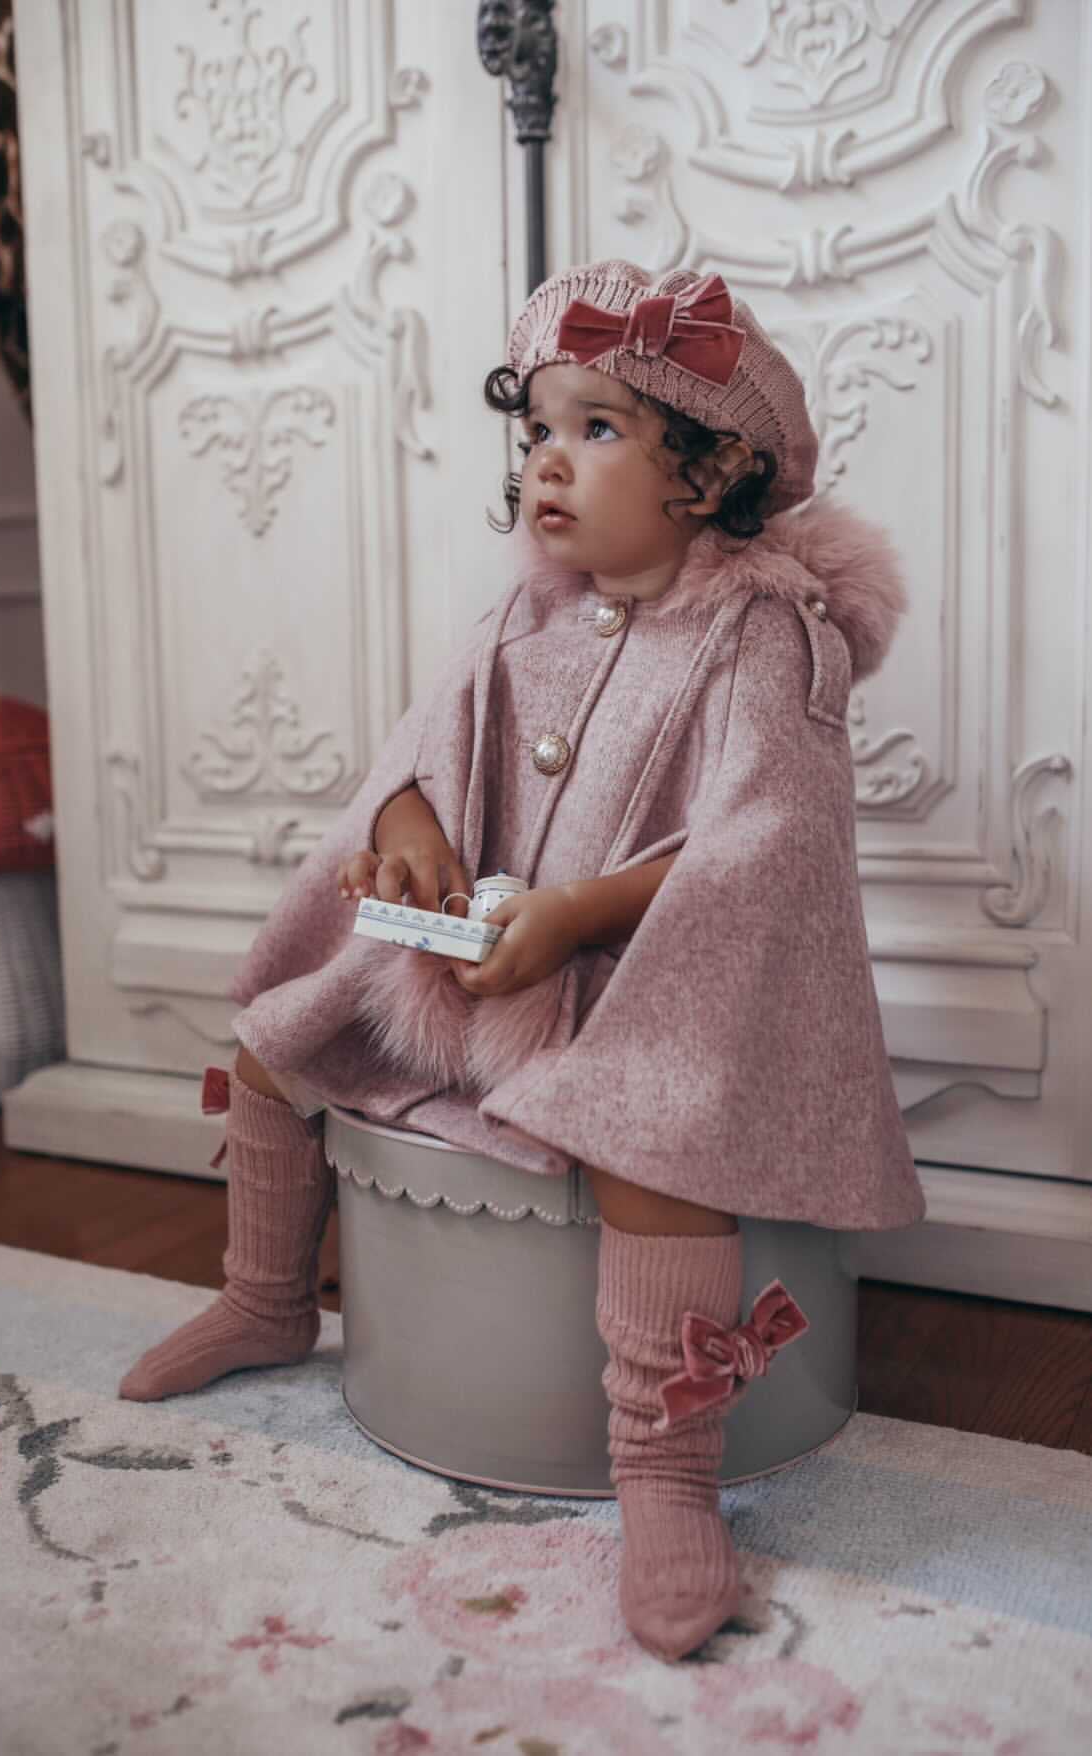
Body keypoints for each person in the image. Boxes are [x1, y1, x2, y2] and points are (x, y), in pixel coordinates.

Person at [119, 259, 926, 1663]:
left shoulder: (760, 638)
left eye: (598, 429)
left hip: (659, 986)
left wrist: (575, 916)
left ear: (711, 472)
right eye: (539, 429)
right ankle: (263, 1302)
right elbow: (415, 761)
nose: (549, 460)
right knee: (278, 1035)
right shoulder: (520, 617)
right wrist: (413, 843)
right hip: (488, 956)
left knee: (653, 1142)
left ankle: (664, 1473)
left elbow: (768, 852)